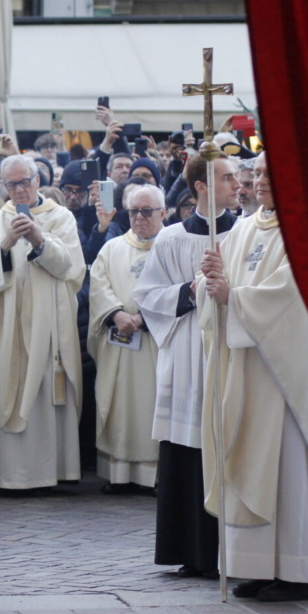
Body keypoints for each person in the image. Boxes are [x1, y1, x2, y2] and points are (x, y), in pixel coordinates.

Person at [198, 152, 308, 602]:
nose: (259, 180)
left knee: (289, 464)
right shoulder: (245, 228)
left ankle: (298, 567)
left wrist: (236, 297)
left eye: (272, 173)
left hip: (289, 377)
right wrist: (209, 283)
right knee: (247, 458)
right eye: (258, 173)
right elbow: (216, 287)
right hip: (247, 372)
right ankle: (255, 565)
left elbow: (296, 294)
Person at [131, 154, 240, 578]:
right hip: (188, 352)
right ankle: (193, 550)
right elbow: (148, 294)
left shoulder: (246, 232)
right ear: (200, 187)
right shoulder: (172, 238)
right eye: (227, 177)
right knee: (188, 450)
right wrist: (191, 291)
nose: (237, 183)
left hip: (232, 345)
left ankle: (234, 552)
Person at [0, 154, 85, 491]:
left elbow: (71, 268)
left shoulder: (60, 217)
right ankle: (4, 474)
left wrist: (38, 238)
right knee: (4, 385)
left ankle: (51, 471)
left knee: (45, 393)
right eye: (11, 184)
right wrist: (4, 244)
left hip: (48, 329)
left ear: (38, 180)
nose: (19, 190)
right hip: (4, 328)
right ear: (2, 186)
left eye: (25, 181)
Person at [87, 184, 165, 492]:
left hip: (158, 344)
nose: (140, 218)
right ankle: (119, 475)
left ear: (163, 213)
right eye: (134, 211)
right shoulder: (112, 248)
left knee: (154, 405)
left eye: (148, 211)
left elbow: (182, 287)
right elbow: (98, 284)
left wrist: (145, 318)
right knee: (119, 405)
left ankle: (155, 475)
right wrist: (117, 314)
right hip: (118, 343)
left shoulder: (171, 246)